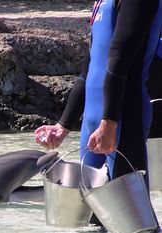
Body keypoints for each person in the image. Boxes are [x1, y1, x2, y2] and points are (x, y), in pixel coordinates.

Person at [35, 0, 162, 187]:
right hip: (93, 122)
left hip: (123, 118)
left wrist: (109, 123)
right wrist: (63, 126)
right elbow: (89, 71)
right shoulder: (102, 2)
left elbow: (119, 60)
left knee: (129, 210)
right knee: (87, 211)